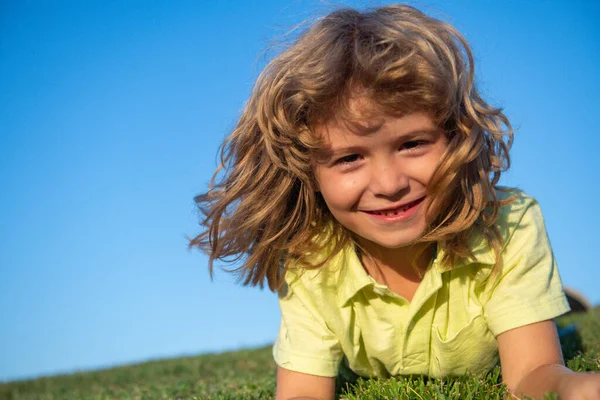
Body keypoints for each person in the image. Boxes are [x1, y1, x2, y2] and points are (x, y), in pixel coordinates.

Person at [190, 4, 600, 399]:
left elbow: (529, 373)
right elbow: (302, 391)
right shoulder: (309, 259)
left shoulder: (508, 224)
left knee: (548, 332)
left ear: (457, 137)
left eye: (412, 144)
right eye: (349, 158)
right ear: (308, 172)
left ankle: (553, 305)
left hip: (507, 312)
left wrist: (572, 387)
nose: (388, 184)